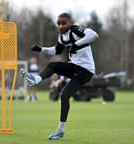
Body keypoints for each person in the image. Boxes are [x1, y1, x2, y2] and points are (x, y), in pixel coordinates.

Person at [20, 12, 99, 140]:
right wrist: (41, 49)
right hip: (75, 68)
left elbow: (94, 35)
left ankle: (36, 79)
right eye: (58, 23)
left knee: (54, 66)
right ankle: (60, 130)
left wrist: (77, 44)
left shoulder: (76, 30)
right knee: (64, 95)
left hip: (86, 71)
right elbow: (56, 50)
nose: (61, 26)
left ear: (70, 23)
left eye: (64, 23)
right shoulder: (61, 37)